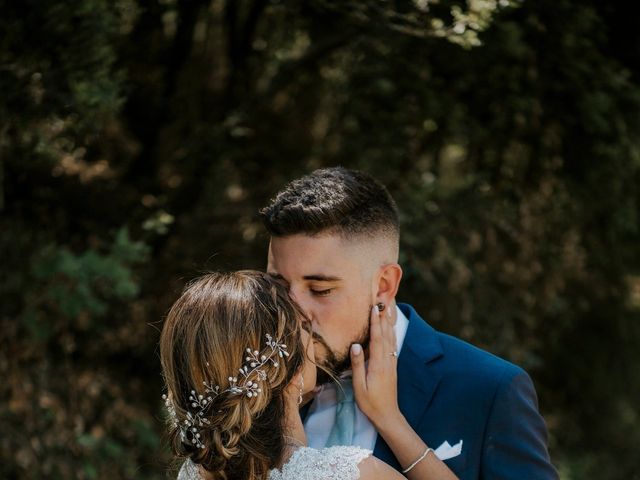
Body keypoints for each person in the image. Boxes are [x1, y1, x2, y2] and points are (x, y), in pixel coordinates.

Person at [259, 167, 559, 479]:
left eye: (321, 290)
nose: (291, 311)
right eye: (278, 286)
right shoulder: (249, 380)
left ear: (384, 286)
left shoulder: (489, 389)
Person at [160, 270, 459, 479]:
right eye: (305, 330)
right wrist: (390, 419)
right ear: (288, 372)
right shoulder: (349, 474)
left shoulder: (193, 473)